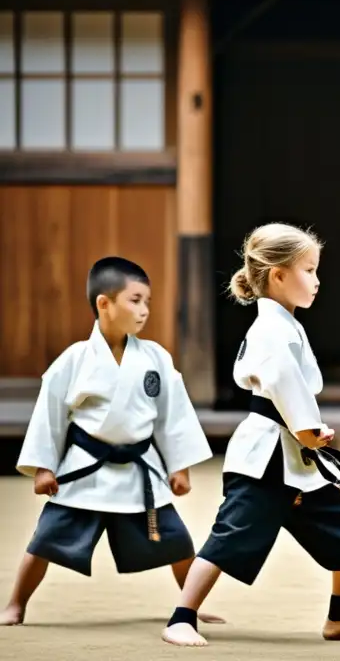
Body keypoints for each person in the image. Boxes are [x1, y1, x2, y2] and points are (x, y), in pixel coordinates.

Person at [161, 223, 340, 647]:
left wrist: (309, 431)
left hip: (293, 452)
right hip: (267, 455)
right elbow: (284, 386)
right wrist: (308, 431)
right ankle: (181, 617)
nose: (318, 279)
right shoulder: (271, 330)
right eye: (309, 269)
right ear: (278, 275)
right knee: (230, 535)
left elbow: (292, 390)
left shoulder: (284, 324)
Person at [0, 257, 220, 627]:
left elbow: (173, 417)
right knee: (45, 540)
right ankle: (16, 604)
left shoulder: (155, 358)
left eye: (147, 301)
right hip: (87, 469)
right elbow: (50, 416)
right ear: (104, 303)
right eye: (135, 300)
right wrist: (44, 467)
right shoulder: (74, 360)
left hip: (140, 471)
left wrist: (179, 467)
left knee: (178, 542)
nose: (144, 310)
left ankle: (189, 607)